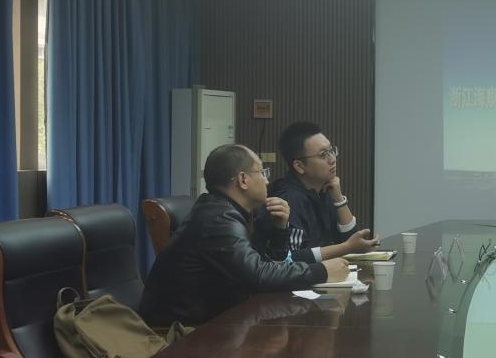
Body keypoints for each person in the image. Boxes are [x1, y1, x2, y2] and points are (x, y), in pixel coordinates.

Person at [139, 144, 349, 327]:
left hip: (218, 319)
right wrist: (321, 271)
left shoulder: (223, 210)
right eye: (262, 173)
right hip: (185, 332)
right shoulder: (218, 219)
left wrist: (280, 229)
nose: (267, 181)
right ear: (243, 180)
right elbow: (259, 276)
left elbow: (266, 266)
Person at [254, 122, 379, 263]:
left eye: (331, 151)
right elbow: (290, 259)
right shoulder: (289, 199)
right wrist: (346, 247)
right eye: (323, 154)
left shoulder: (322, 190)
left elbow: (352, 241)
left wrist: (339, 200)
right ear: (299, 166)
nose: (332, 159)